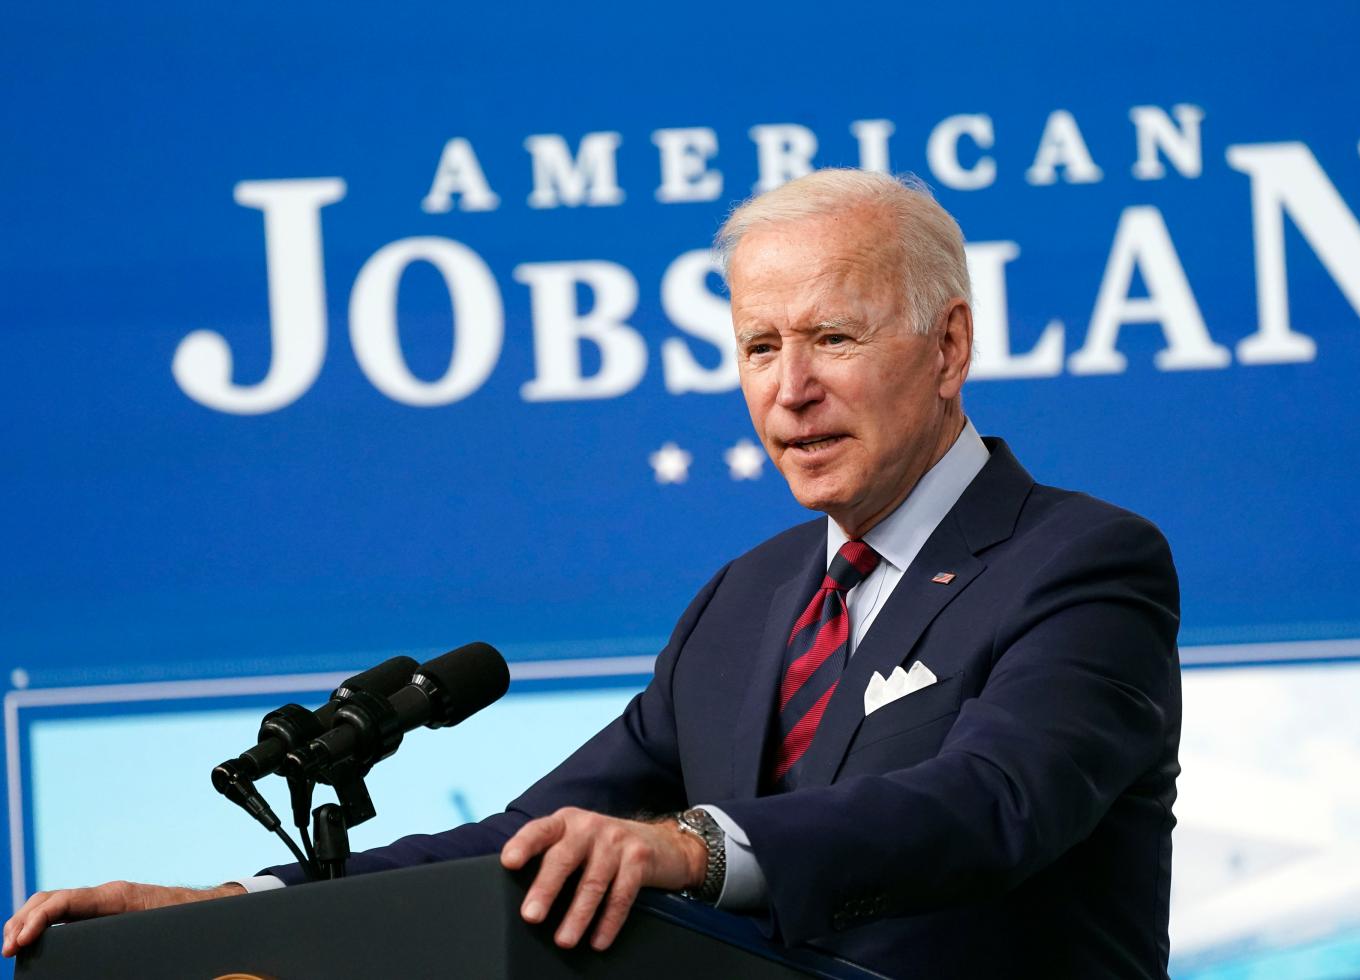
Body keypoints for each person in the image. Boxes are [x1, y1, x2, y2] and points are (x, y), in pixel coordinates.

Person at [3, 169, 1182, 978]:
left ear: (950, 346)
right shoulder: (745, 598)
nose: (789, 387)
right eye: (759, 346)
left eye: (832, 337)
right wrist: (246, 901)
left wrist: (696, 845)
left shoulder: (1077, 561)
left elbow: (993, 803)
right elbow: (532, 834)